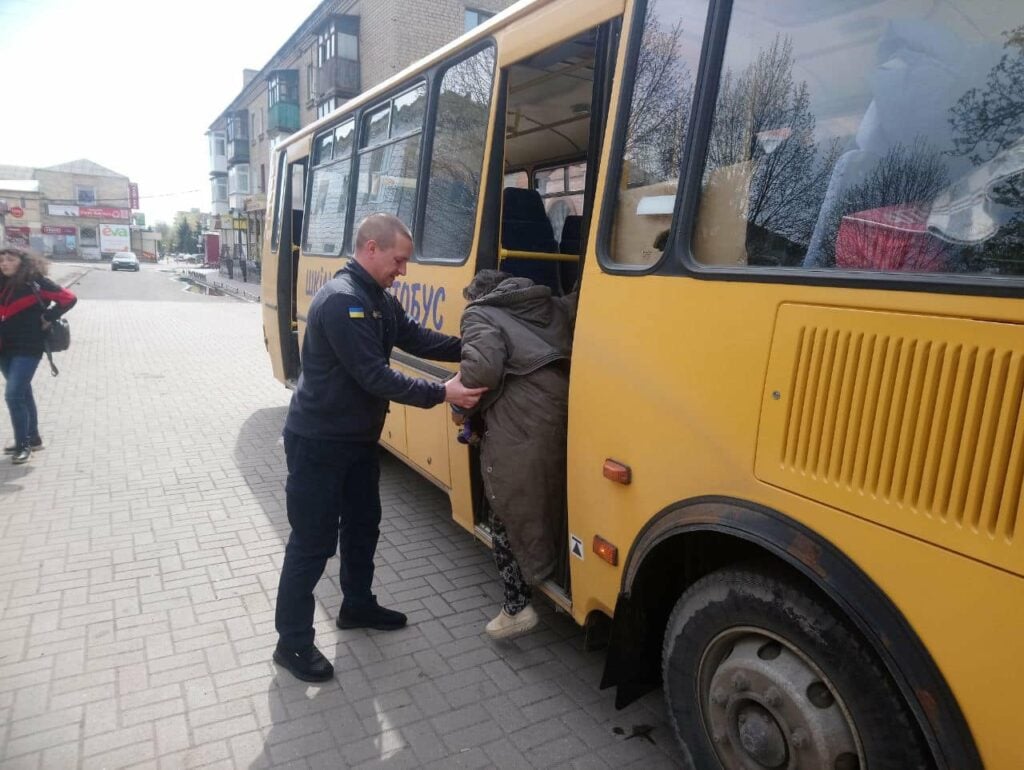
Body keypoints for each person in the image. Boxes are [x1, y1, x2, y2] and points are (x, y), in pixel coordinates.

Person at [273, 212, 486, 682]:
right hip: (318, 445)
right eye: (399, 260)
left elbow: (415, 336)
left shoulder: (378, 300)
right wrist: (443, 392)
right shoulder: (343, 302)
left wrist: (472, 345)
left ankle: (358, 605)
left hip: (356, 444)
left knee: (363, 527)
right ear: (371, 249)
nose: (402, 270)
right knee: (312, 544)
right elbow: (375, 376)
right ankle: (291, 643)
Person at [456, 269, 576, 639]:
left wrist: (460, 410)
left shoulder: (479, 313)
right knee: (548, 494)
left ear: (478, 295)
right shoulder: (546, 304)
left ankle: (516, 606)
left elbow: (481, 370)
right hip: (562, 406)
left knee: (505, 507)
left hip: (520, 418)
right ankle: (550, 570)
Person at [0, 247, 77, 465]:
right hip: (4, 348)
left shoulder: (35, 282)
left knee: (13, 394)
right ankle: (33, 438)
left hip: (28, 346)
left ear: (22, 262)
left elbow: (68, 298)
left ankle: (22, 444)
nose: (4, 264)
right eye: (1, 260)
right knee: (22, 392)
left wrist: (49, 316)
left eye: (9, 259)